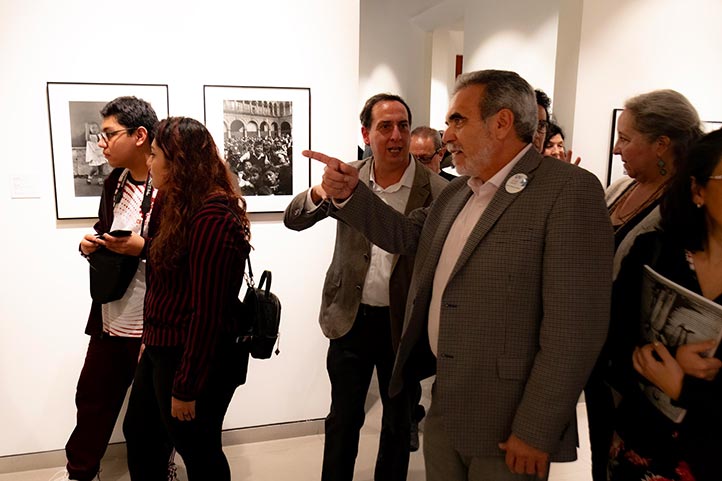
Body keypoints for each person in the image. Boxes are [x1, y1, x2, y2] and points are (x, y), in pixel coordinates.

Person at [304, 69, 613, 481]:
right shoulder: (458, 191)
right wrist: (349, 195)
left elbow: (575, 329)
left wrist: (537, 429)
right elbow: (404, 234)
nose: (446, 136)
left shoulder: (567, 190)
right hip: (446, 404)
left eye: (457, 121)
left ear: (502, 123)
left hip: (507, 425)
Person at [284, 93, 447, 481]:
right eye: (385, 126)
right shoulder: (347, 176)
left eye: (403, 125)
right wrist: (323, 191)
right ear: (366, 133)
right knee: (343, 419)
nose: (396, 135)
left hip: (403, 324)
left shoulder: (437, 189)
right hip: (350, 318)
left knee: (397, 423)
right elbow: (294, 219)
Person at [122, 117, 252, 481]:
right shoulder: (175, 204)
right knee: (142, 434)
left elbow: (208, 312)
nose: (150, 164)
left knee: (199, 450)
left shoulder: (213, 216)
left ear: (178, 162)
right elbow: (171, 275)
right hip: (164, 348)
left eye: (155, 155)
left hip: (193, 358)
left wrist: (186, 386)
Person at [584, 89, 703, 481]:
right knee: (604, 450)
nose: (617, 149)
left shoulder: (682, 210)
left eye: (626, 138)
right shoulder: (620, 189)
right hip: (599, 350)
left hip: (639, 362)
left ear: (661, 145)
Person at [51, 97, 158, 481]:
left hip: (156, 324)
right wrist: (91, 243)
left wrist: (143, 248)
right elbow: (106, 225)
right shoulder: (117, 181)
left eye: (110, 134)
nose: (101, 143)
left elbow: (186, 254)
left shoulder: (170, 186)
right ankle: (81, 472)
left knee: (152, 417)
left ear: (141, 136)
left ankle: (160, 469)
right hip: (111, 315)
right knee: (92, 401)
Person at [605, 128, 722, 481]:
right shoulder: (654, 253)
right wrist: (664, 356)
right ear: (697, 189)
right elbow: (613, 346)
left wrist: (683, 388)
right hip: (641, 447)